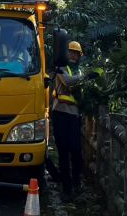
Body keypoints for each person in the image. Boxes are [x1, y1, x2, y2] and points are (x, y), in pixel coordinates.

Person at [51, 40, 98, 202]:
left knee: (76, 152)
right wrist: (86, 77)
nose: (73, 55)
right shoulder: (60, 68)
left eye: (76, 53)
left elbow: (85, 93)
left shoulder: (80, 70)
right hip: (60, 114)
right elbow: (69, 82)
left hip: (74, 116)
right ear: (66, 53)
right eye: (71, 52)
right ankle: (67, 189)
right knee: (63, 152)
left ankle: (77, 184)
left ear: (79, 56)